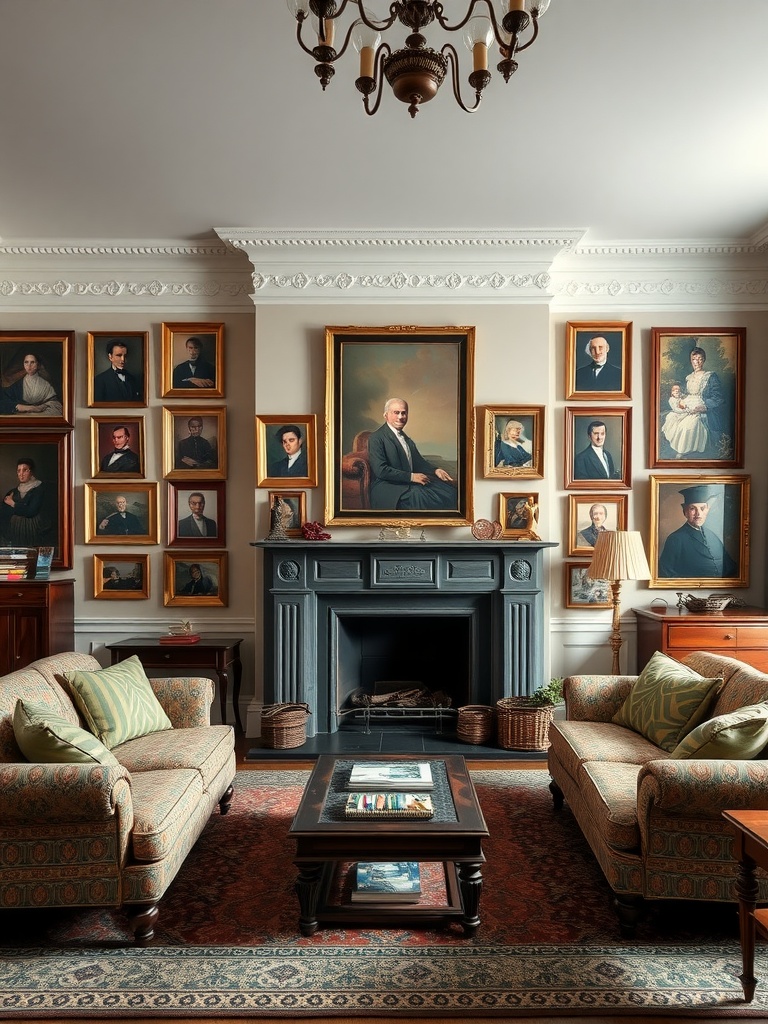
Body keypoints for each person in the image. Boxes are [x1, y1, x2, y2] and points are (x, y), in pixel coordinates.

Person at [367, 397, 458, 511]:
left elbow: (418, 462)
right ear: (386, 415)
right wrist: (411, 477)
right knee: (421, 497)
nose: (400, 417)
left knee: (449, 492)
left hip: (407, 483)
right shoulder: (376, 438)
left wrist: (435, 470)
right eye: (396, 413)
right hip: (388, 487)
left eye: (403, 413)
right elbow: (381, 470)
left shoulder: (406, 438)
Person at [658, 484, 737, 579]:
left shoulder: (712, 536)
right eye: (692, 509)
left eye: (702, 508)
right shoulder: (675, 539)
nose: (698, 514)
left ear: (707, 510)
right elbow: (665, 573)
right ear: (685, 512)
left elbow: (730, 567)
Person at [668, 344, 726, 458]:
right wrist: (681, 401)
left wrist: (704, 406)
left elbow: (718, 398)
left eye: (699, 359)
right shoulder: (688, 377)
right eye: (694, 359)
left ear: (703, 360)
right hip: (689, 405)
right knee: (672, 419)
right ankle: (680, 450)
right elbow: (686, 394)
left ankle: (685, 451)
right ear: (691, 361)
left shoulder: (710, 376)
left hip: (702, 406)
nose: (697, 362)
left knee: (687, 426)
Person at [0, 457, 53, 546]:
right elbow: (4, 514)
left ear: (31, 472)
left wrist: (13, 504)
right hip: (15, 533)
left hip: (33, 532)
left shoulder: (39, 489)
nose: (21, 474)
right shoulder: (13, 492)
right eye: (18, 471)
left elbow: (31, 511)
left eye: (25, 470)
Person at [93, 339, 143, 403]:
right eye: (119, 355)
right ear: (110, 357)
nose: (123, 359)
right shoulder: (100, 380)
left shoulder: (133, 379)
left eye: (125, 356)